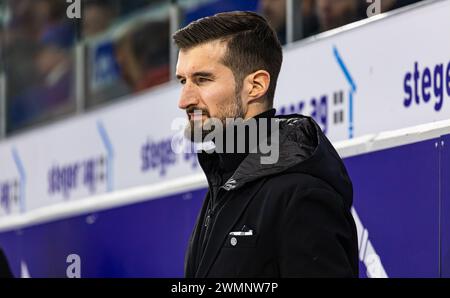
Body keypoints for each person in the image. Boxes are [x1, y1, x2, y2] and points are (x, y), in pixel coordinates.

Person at [173, 11, 358, 278]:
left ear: (256, 86)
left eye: (202, 79)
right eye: (183, 81)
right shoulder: (223, 183)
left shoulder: (302, 193)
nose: (184, 100)